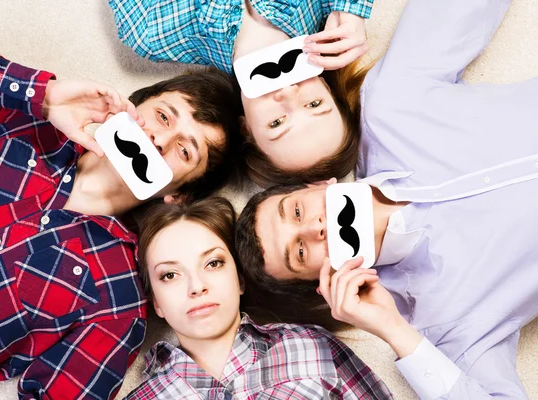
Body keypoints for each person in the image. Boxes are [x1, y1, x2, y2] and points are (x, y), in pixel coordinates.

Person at [235, 0, 538, 397]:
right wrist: (394, 332)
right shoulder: (440, 322)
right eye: (301, 252)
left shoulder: (390, 107)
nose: (314, 227)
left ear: (317, 184)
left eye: (295, 212)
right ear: (323, 282)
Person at [0, 31, 240, 398]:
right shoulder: (30, 121)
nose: (159, 140)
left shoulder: (118, 302)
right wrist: (43, 96)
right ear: (134, 106)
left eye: (184, 151)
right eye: (162, 116)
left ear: (177, 194)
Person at [123, 197, 393, 399]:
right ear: (156, 301)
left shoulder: (309, 346)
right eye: (169, 275)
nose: (196, 287)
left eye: (213, 263)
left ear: (240, 279)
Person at [108, 0, 373, 186]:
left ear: (246, 128)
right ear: (326, 86)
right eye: (314, 103)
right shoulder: (334, 10)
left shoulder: (150, 34)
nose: (289, 94)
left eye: (277, 122)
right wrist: (352, 11)